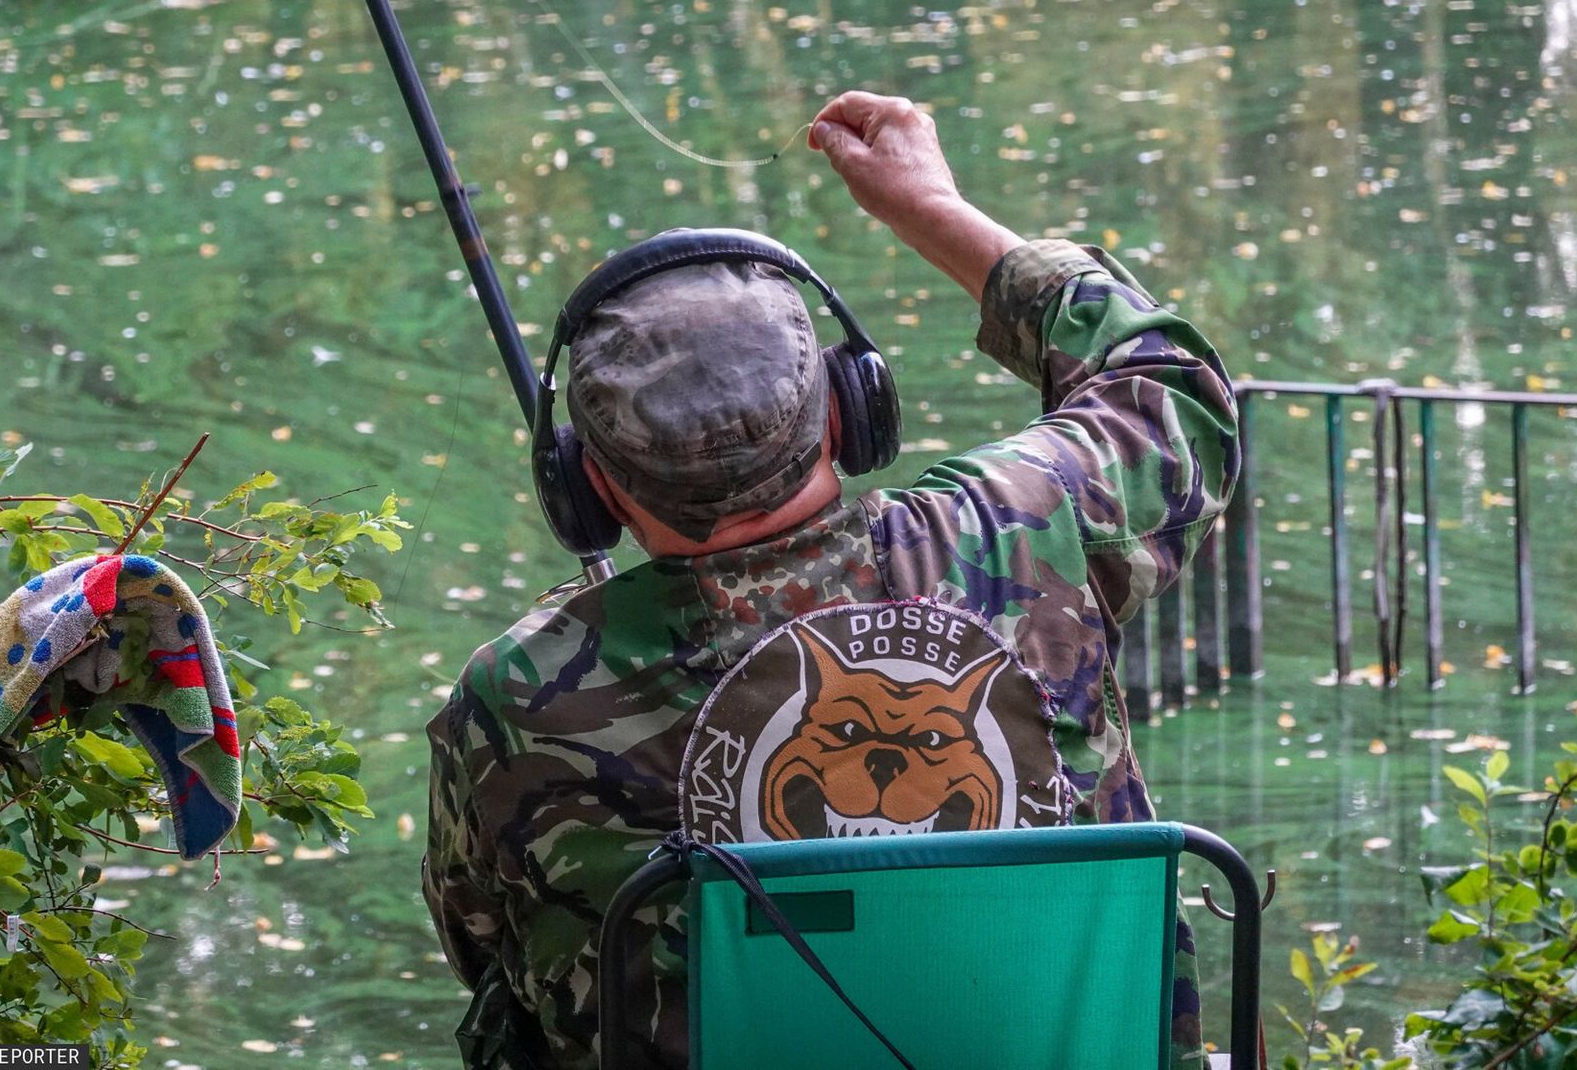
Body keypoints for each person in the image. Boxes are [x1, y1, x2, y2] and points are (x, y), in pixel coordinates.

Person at [423, 90, 1240, 1069]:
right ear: (850, 413)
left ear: (585, 483)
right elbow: (1170, 385)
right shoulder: (1025, 528)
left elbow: (486, 942)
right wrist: (927, 205)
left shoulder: (515, 696)